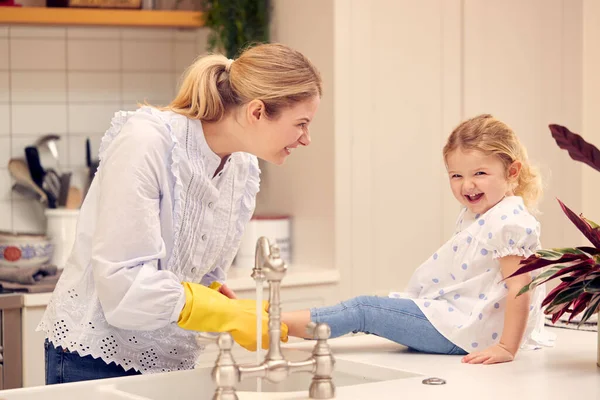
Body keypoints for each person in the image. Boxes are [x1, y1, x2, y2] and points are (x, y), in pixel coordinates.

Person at [38, 43, 322, 384]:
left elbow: (195, 271)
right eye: (301, 124)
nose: (307, 139)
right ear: (257, 112)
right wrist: (216, 311)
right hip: (93, 358)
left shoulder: (242, 166)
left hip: (171, 360)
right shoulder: (147, 142)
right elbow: (123, 288)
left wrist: (218, 297)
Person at [283, 114, 555, 365]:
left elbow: (520, 286)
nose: (467, 185)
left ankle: (273, 323)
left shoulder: (509, 221)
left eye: (480, 173)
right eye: (456, 175)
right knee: (366, 309)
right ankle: (275, 322)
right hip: (460, 323)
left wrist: (507, 347)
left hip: (466, 332)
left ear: (512, 172)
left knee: (363, 310)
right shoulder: (485, 214)